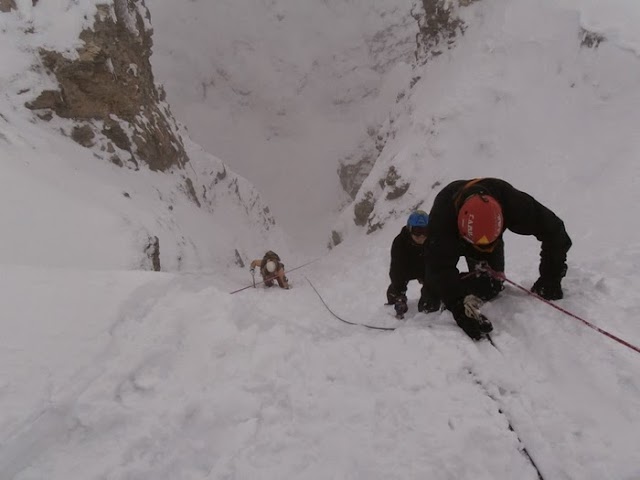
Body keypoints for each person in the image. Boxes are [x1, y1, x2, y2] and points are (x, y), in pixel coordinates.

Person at [424, 178, 572, 340]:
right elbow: (440, 266)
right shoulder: (442, 221)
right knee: (438, 280)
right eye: (480, 246)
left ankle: (457, 286)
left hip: (486, 227)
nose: (484, 249)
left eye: (488, 245)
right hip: (452, 224)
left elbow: (555, 231)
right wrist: (459, 308)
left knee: (490, 286)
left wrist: (551, 277)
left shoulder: (512, 203)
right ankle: (437, 290)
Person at [387, 210, 441, 317]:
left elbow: (439, 265)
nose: (421, 236)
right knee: (393, 295)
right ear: (410, 229)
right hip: (406, 269)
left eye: (425, 231)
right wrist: (399, 295)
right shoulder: (400, 243)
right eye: (417, 231)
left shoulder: (433, 240)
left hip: (426, 270)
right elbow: (396, 270)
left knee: (429, 305)